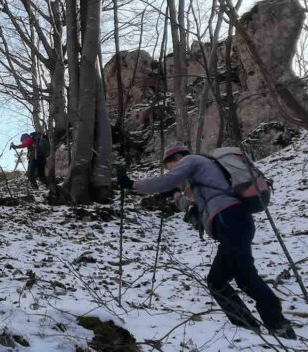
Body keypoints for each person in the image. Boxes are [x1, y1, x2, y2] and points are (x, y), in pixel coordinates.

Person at [117, 142, 296, 339]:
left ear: (175, 159)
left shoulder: (191, 160)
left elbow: (166, 181)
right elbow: (194, 206)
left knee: (238, 277)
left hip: (230, 220)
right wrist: (176, 195)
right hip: (235, 222)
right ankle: (252, 326)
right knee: (221, 280)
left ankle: (270, 324)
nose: (171, 170)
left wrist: (132, 184)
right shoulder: (205, 173)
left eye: (169, 166)